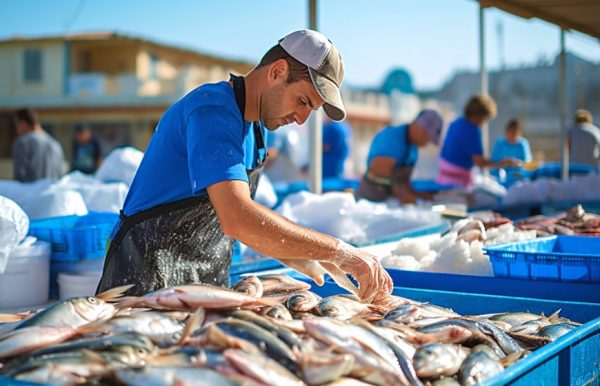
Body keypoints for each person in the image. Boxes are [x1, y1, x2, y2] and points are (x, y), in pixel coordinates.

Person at [96, 30, 393, 304]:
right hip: (141, 287)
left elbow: (234, 223)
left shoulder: (254, 130)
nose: (302, 119)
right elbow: (236, 217)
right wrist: (338, 251)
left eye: (310, 110)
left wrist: (296, 252)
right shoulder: (211, 111)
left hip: (197, 290)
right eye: (302, 101)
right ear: (277, 72)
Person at [357, 109, 443, 203]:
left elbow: (404, 182)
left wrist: (419, 195)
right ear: (419, 128)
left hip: (391, 201)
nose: (426, 143)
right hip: (371, 199)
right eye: (427, 137)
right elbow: (379, 170)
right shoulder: (392, 137)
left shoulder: (413, 148)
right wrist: (405, 196)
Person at [436, 95, 520, 188]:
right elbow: (480, 162)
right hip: (457, 181)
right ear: (481, 115)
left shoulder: (455, 123)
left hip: (443, 176)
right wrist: (502, 163)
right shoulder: (471, 129)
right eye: (486, 118)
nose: (484, 123)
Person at [12, 108, 65, 182]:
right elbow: (61, 175)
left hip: (30, 192)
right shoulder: (55, 144)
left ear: (23, 123)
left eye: (16, 124)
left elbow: (19, 177)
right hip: (53, 191)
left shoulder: (22, 143)